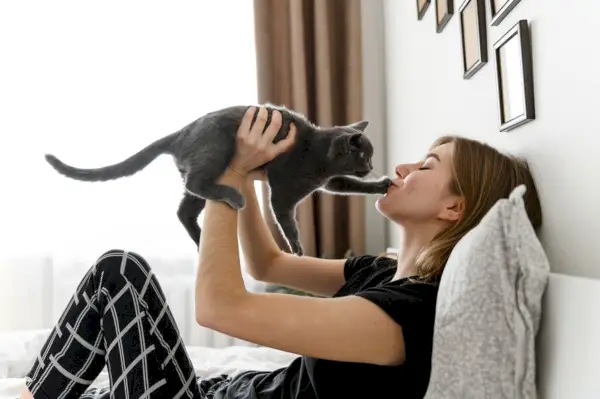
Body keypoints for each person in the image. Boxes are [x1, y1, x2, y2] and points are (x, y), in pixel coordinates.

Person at [21, 106, 542, 399]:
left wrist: (223, 181)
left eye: (427, 166)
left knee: (121, 274)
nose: (402, 168)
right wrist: (252, 170)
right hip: (223, 392)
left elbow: (221, 308)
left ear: (455, 208)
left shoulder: (405, 317)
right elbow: (266, 266)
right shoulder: (378, 274)